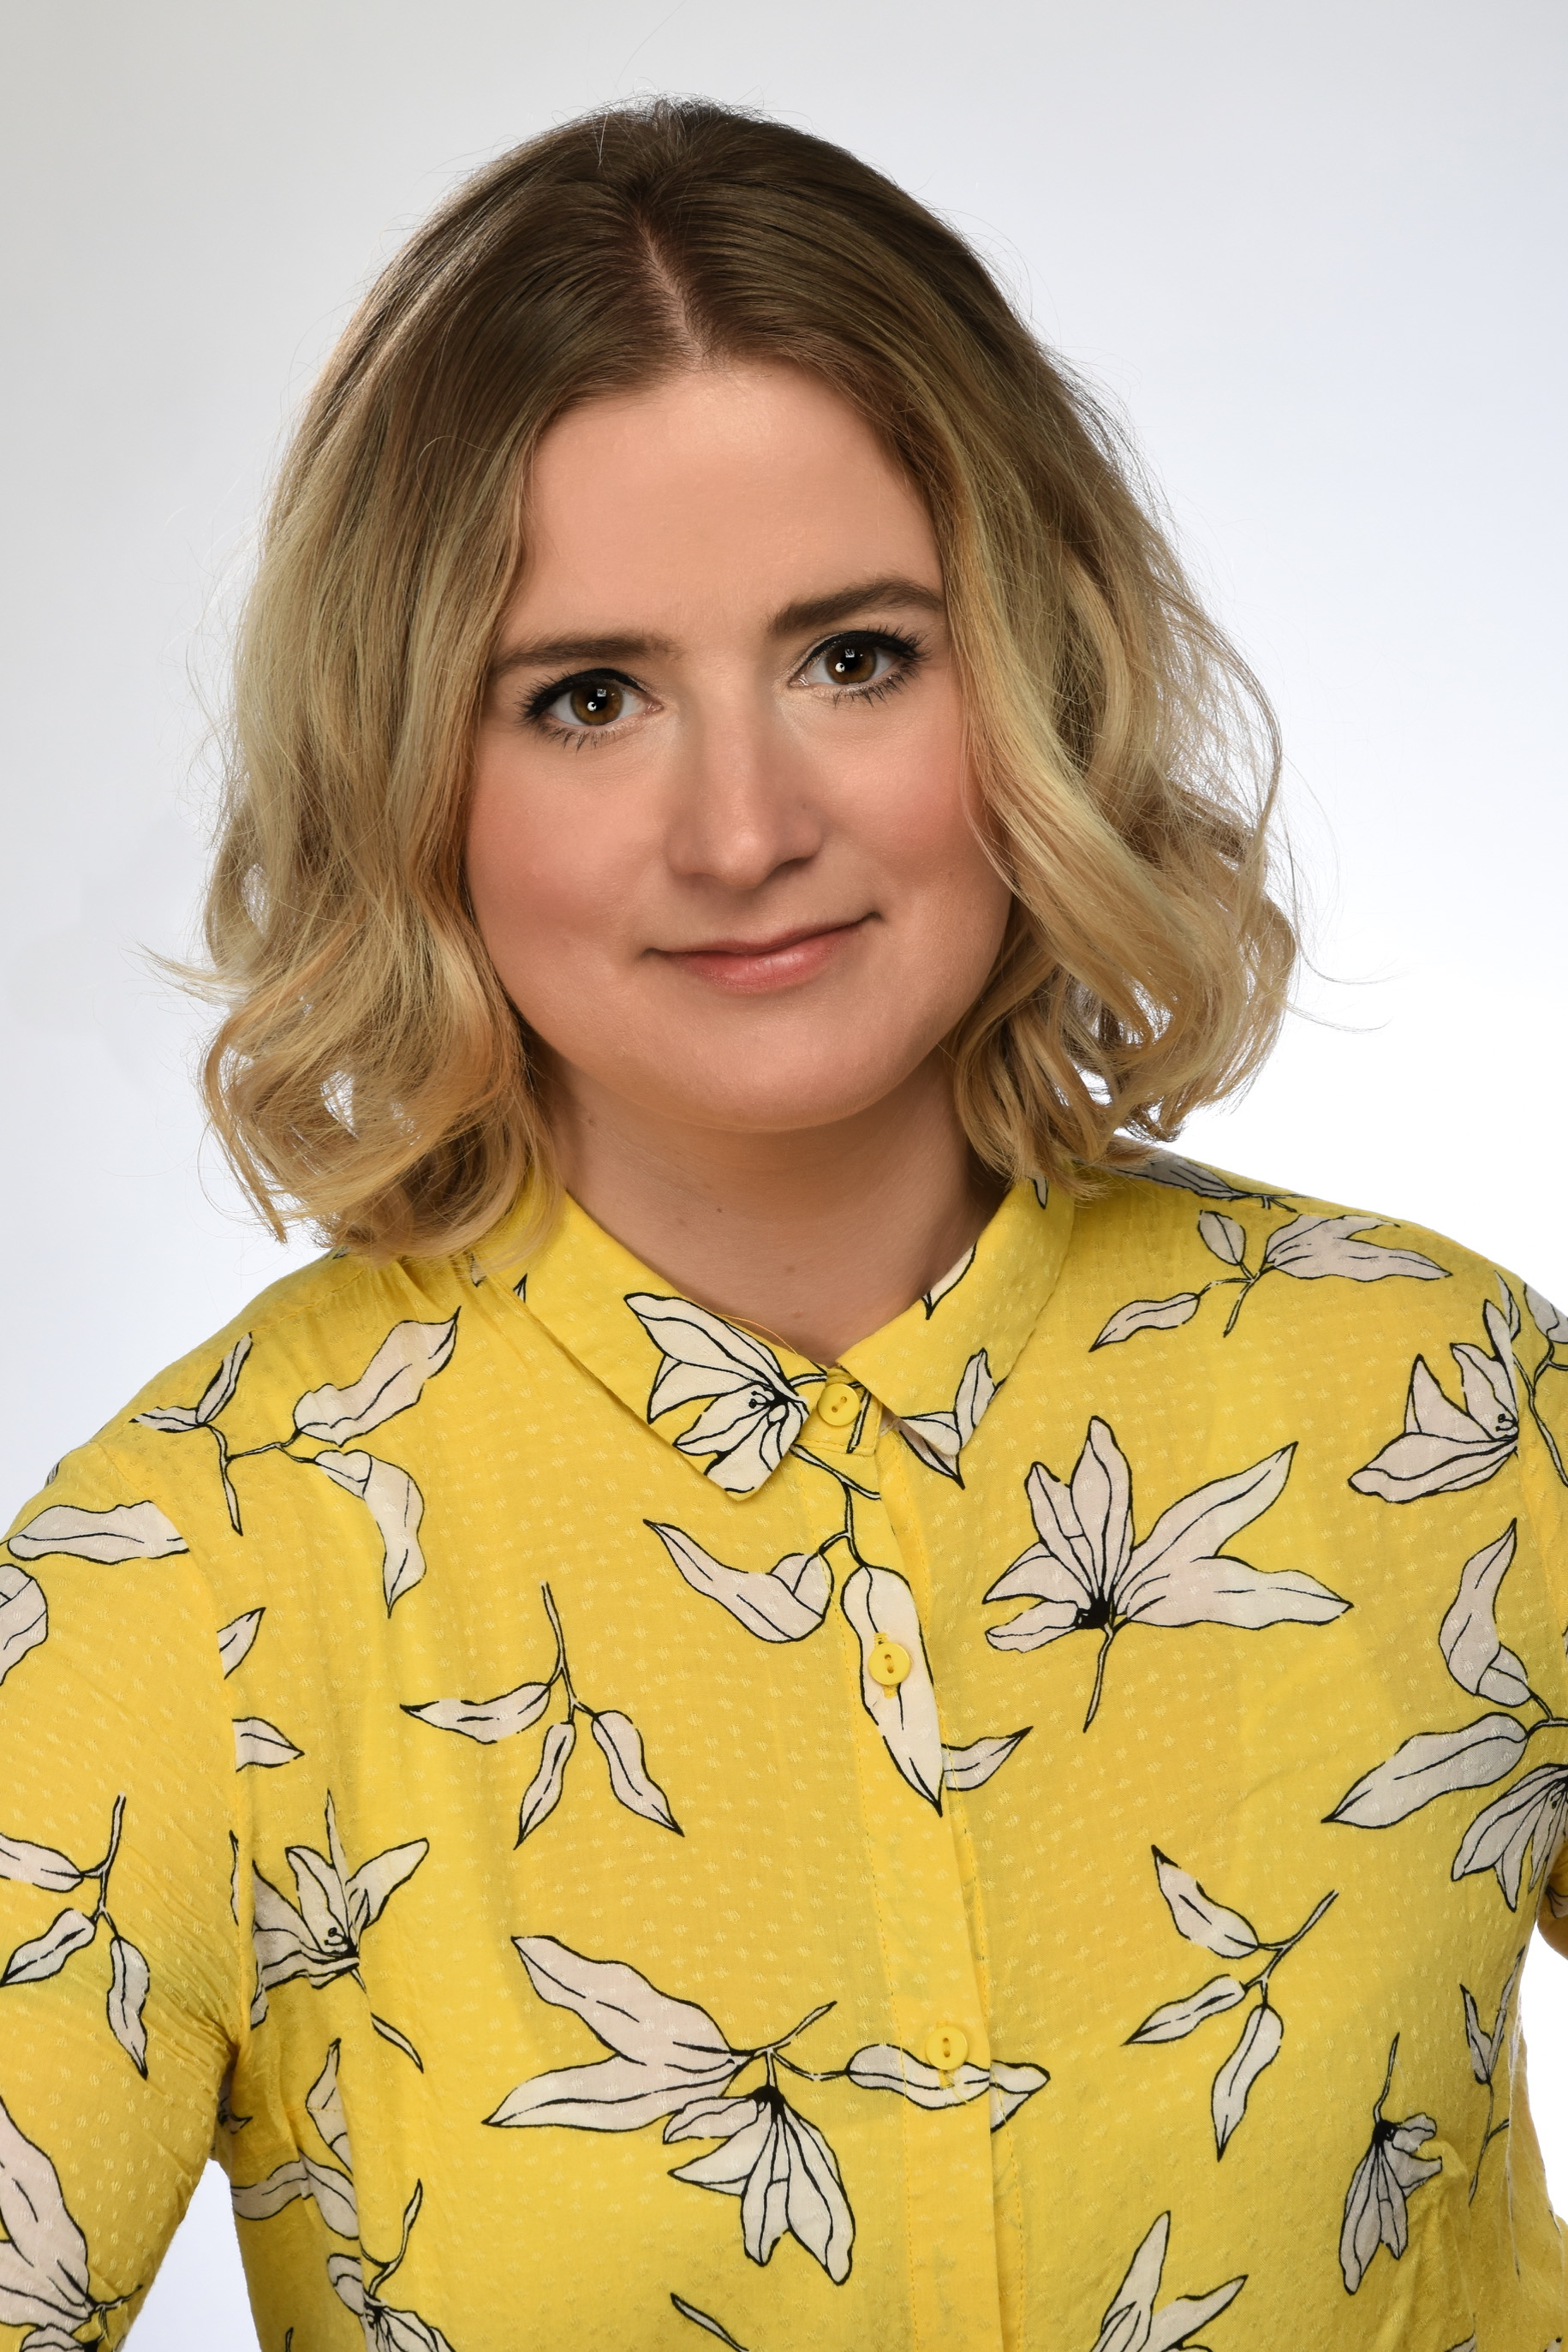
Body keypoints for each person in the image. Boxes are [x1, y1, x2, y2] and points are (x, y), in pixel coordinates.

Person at [0, 96, 1562, 2352]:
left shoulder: (1449, 1409)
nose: (743, 829)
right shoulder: (203, 1580)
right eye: (589, 697)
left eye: (855, 657)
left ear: (1035, 669)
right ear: (414, 768)